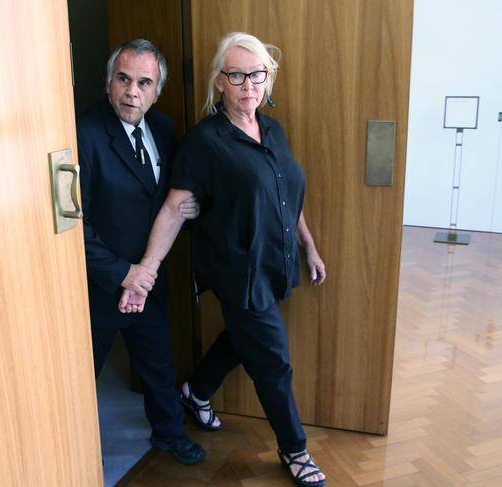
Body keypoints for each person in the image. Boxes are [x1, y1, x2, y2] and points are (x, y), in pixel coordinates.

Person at [119, 32, 327, 486]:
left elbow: (287, 196)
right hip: (238, 270)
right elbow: (175, 208)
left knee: (244, 334)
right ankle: (295, 450)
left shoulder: (272, 129)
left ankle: (196, 393)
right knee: (273, 361)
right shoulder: (204, 142)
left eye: (257, 74)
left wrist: (309, 245)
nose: (248, 84)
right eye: (237, 75)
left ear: (267, 78)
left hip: (277, 262)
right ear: (219, 82)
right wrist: (146, 271)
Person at [77, 39, 205, 465]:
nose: (133, 91)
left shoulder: (165, 130)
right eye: (124, 79)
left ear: (156, 91)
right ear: (109, 82)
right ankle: (69, 456)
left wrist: (191, 208)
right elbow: (74, 224)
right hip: (101, 285)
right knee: (79, 379)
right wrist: (122, 274)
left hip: (148, 280)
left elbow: (170, 199)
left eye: (144, 83)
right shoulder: (84, 133)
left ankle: (168, 435)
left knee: (157, 364)